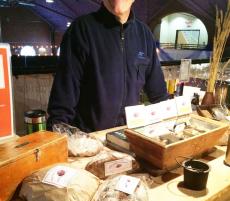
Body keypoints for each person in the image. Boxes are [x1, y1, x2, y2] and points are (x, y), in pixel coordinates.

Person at [47, 0, 169, 133]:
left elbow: (159, 95)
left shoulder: (144, 34)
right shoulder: (81, 29)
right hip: (90, 138)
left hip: (129, 135)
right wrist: (61, 138)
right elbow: (62, 105)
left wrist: (172, 125)